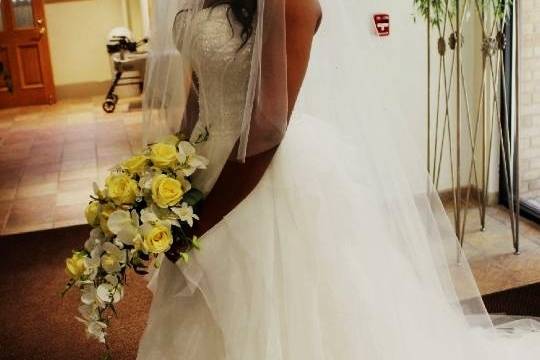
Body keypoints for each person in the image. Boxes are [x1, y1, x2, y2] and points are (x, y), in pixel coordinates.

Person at [138, 0, 540, 359]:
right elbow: (201, 91)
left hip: (263, 169)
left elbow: (268, 126)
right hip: (204, 162)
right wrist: (170, 168)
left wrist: (203, 220)